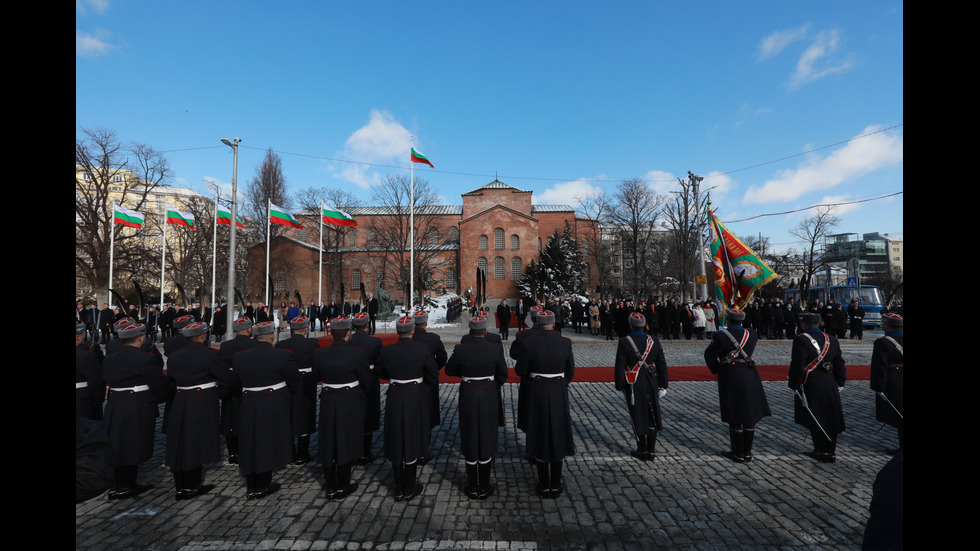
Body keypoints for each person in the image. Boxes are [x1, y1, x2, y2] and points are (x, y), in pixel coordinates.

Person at [165, 321, 234, 500]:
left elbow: (171, 381)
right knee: (196, 440)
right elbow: (226, 379)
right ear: (203, 336)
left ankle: (180, 485)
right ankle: (192, 485)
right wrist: (218, 393)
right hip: (202, 400)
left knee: (180, 440)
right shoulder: (209, 355)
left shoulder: (174, 356)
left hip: (180, 399)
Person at [233, 321, 299, 499]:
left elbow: (236, 382)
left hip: (248, 403)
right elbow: (293, 381)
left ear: (254, 337)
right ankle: (262, 486)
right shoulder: (283, 356)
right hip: (272, 404)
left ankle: (251, 485)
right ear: (272, 336)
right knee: (266, 443)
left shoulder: (240, 357)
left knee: (250, 442)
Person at [445, 315, 509, 499]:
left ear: (470, 331)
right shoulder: (494, 349)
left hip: (469, 392)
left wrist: (466, 375)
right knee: (487, 434)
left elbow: (450, 370)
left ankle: (472, 486)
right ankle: (485, 485)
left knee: (470, 432)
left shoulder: (461, 349)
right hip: (489, 393)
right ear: (485, 331)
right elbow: (502, 375)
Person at [102, 323, 168, 499]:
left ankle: (117, 483)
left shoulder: (110, 358)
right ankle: (126, 485)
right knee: (132, 444)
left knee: (117, 443)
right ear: (140, 338)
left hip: (115, 403)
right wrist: (160, 397)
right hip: (136, 405)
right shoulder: (145, 358)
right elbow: (158, 385)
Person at [514, 310, 575, 498]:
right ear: (554, 324)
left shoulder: (529, 342)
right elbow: (570, 371)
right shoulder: (565, 343)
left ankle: (543, 484)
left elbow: (520, 370)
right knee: (557, 431)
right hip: (557, 391)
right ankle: (555, 484)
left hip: (537, 390)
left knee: (539, 432)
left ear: (538, 324)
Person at [378, 316, 439, 501]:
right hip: (415, 396)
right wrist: (423, 389)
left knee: (396, 437)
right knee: (412, 438)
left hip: (395, 396)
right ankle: (410, 486)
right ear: (413, 331)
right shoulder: (422, 349)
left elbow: (380, 372)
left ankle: (398, 488)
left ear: (398, 331)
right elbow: (433, 373)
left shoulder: (387, 351)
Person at [312, 317, 372, 500]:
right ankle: (343, 485)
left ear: (331, 333)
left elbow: (315, 377)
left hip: (329, 399)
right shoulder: (357, 353)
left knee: (328, 440)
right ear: (348, 333)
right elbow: (367, 380)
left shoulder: (320, 354)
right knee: (345, 440)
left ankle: (330, 486)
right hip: (349, 400)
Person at [703, 308, 771, 463]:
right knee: (749, 413)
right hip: (750, 374)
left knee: (734, 412)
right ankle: (747, 452)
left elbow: (709, 355)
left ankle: (737, 452)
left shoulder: (721, 336)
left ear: (728, 320)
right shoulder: (751, 334)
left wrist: (717, 370)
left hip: (731, 374)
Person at [788, 312, 847, 463]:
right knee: (830, 414)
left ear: (804, 324)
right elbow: (839, 362)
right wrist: (840, 381)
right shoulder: (831, 339)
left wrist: (794, 384)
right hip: (829, 381)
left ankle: (821, 449)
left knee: (815, 415)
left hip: (811, 381)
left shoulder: (801, 340)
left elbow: (798, 365)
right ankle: (830, 449)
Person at [614, 312, 668, 461]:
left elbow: (619, 366)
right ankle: (651, 451)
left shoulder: (625, 342)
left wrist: (619, 386)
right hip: (651, 380)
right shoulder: (654, 340)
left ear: (631, 326)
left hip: (634, 382)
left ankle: (641, 450)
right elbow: (662, 364)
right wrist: (663, 385)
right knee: (652, 413)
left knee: (637, 414)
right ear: (645, 325)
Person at [275, 316, 320, 465]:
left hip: (287, 384)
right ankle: (302, 453)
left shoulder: (281, 344)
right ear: (305, 329)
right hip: (306, 382)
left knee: (288, 416)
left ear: (292, 329)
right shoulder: (312, 343)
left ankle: (289, 452)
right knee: (305, 416)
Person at [218, 318, 256, 464]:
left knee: (229, 417)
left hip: (229, 384)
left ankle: (232, 452)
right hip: (247, 384)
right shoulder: (254, 344)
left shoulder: (225, 346)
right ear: (248, 329)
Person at [350, 312, 383, 464]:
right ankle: (365, 453)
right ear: (367, 325)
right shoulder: (374, 343)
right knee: (368, 415)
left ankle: (352, 450)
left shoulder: (348, 341)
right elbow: (381, 363)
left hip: (350, 381)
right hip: (369, 379)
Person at [412, 310, 448, 439]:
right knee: (428, 409)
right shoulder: (433, 338)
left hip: (410, 379)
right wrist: (434, 368)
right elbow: (443, 358)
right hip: (428, 379)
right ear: (426, 323)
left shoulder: (409, 337)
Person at [871, 313, 903, 453]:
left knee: (900, 413)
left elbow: (880, 367)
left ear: (888, 325)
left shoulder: (883, 342)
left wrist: (879, 387)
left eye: (884, 323)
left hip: (895, 379)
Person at [76, 322, 105, 420]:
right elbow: (96, 379)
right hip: (82, 398)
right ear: (77, 337)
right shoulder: (85, 355)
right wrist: (99, 397)